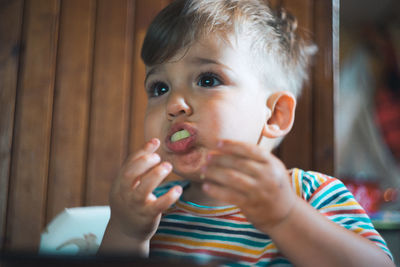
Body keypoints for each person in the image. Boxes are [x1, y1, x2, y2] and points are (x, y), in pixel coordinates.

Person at [99, 0, 394, 265]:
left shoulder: (311, 195)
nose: (174, 105)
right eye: (159, 88)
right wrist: (127, 232)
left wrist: (286, 215)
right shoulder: (152, 207)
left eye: (207, 79)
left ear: (275, 115)